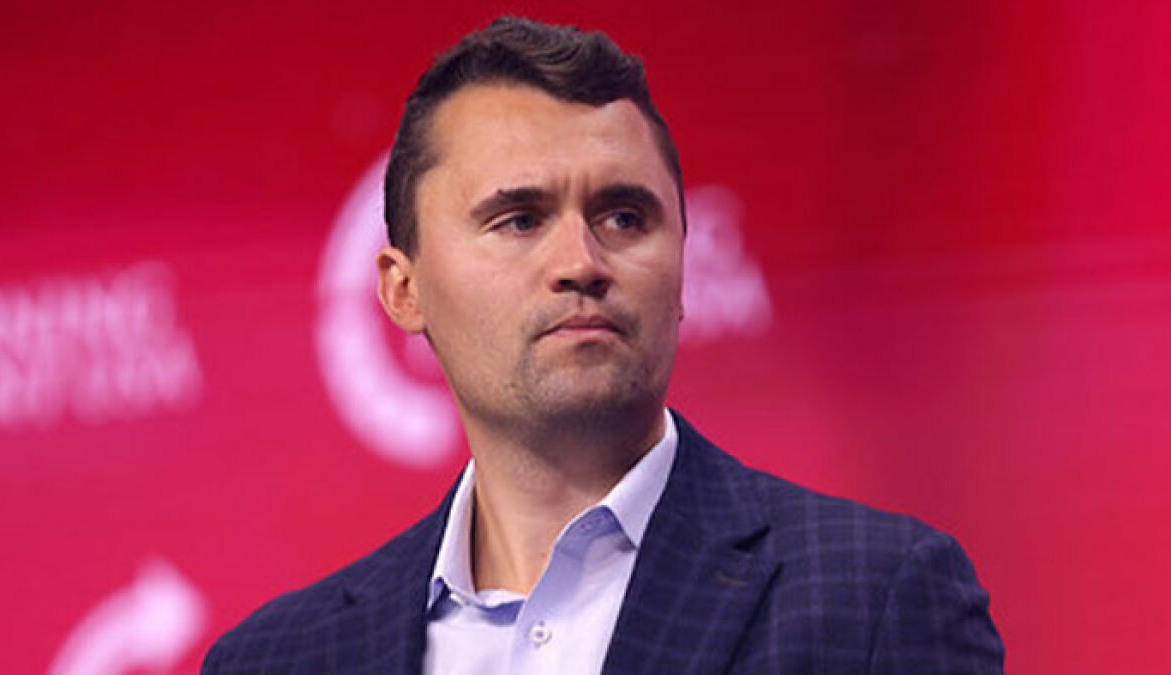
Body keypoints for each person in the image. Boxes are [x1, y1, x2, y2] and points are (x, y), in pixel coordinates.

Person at [203, 16, 1004, 674]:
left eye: (624, 217)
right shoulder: (278, 659)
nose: (582, 262)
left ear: (682, 265)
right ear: (402, 288)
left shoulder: (876, 599)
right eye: (519, 219)